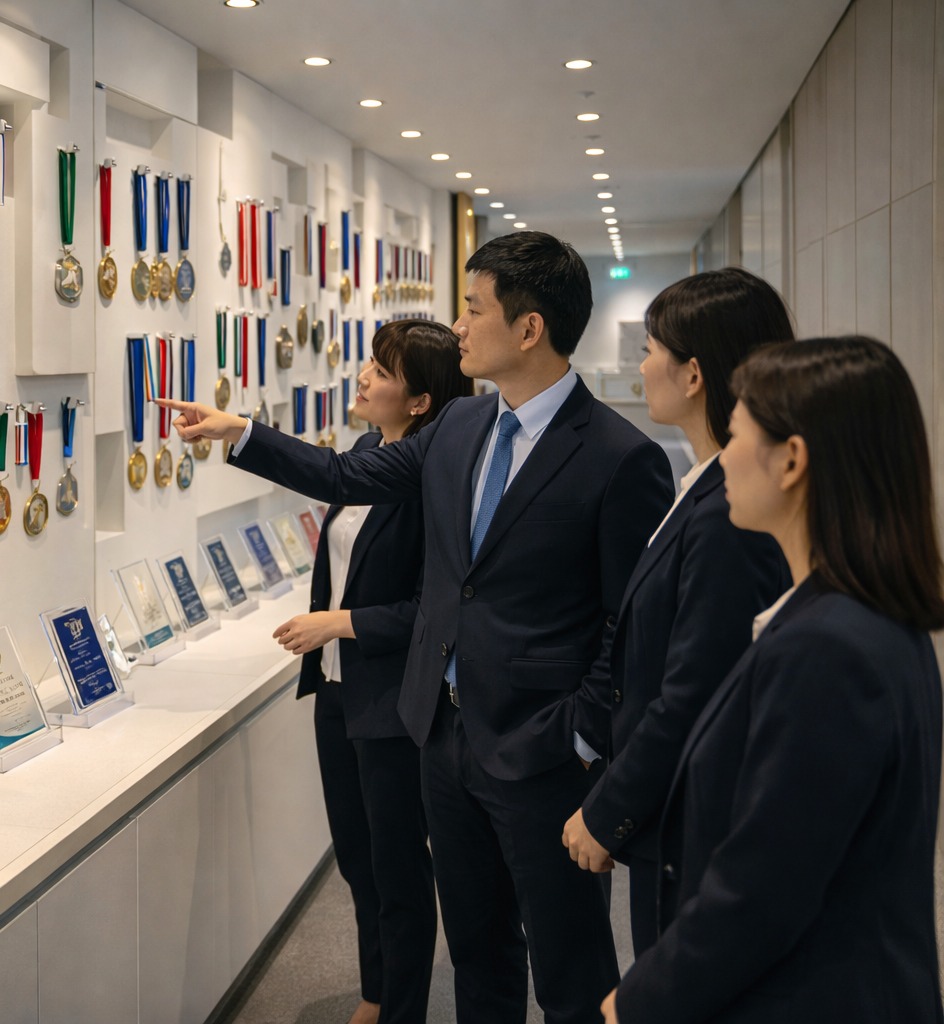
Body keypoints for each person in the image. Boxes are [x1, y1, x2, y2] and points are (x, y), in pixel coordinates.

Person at [161, 231, 673, 1024]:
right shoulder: (462, 426)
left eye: (473, 309)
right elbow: (347, 473)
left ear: (529, 328)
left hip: (544, 753)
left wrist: (581, 737)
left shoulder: (619, 455)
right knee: (478, 956)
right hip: (444, 739)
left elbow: (628, 624)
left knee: (569, 973)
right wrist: (242, 433)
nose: (458, 326)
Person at [601, 335, 944, 1023]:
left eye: (736, 436)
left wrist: (638, 1000)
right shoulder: (856, 616)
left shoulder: (830, 648)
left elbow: (763, 886)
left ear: (792, 460)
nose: (723, 458)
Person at [560, 268, 792, 954]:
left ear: (693, 374)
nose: (641, 365)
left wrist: (610, 809)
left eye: (651, 349)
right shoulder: (704, 485)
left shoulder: (728, 513)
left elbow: (694, 688)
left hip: (696, 814)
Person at [274, 321, 471, 1024]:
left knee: (397, 866)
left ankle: (402, 1009)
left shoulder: (429, 478)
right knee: (357, 858)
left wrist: (339, 623)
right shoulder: (364, 452)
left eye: (382, 372)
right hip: (336, 687)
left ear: (420, 402)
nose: (362, 378)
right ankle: (377, 990)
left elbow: (430, 609)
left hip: (391, 697)